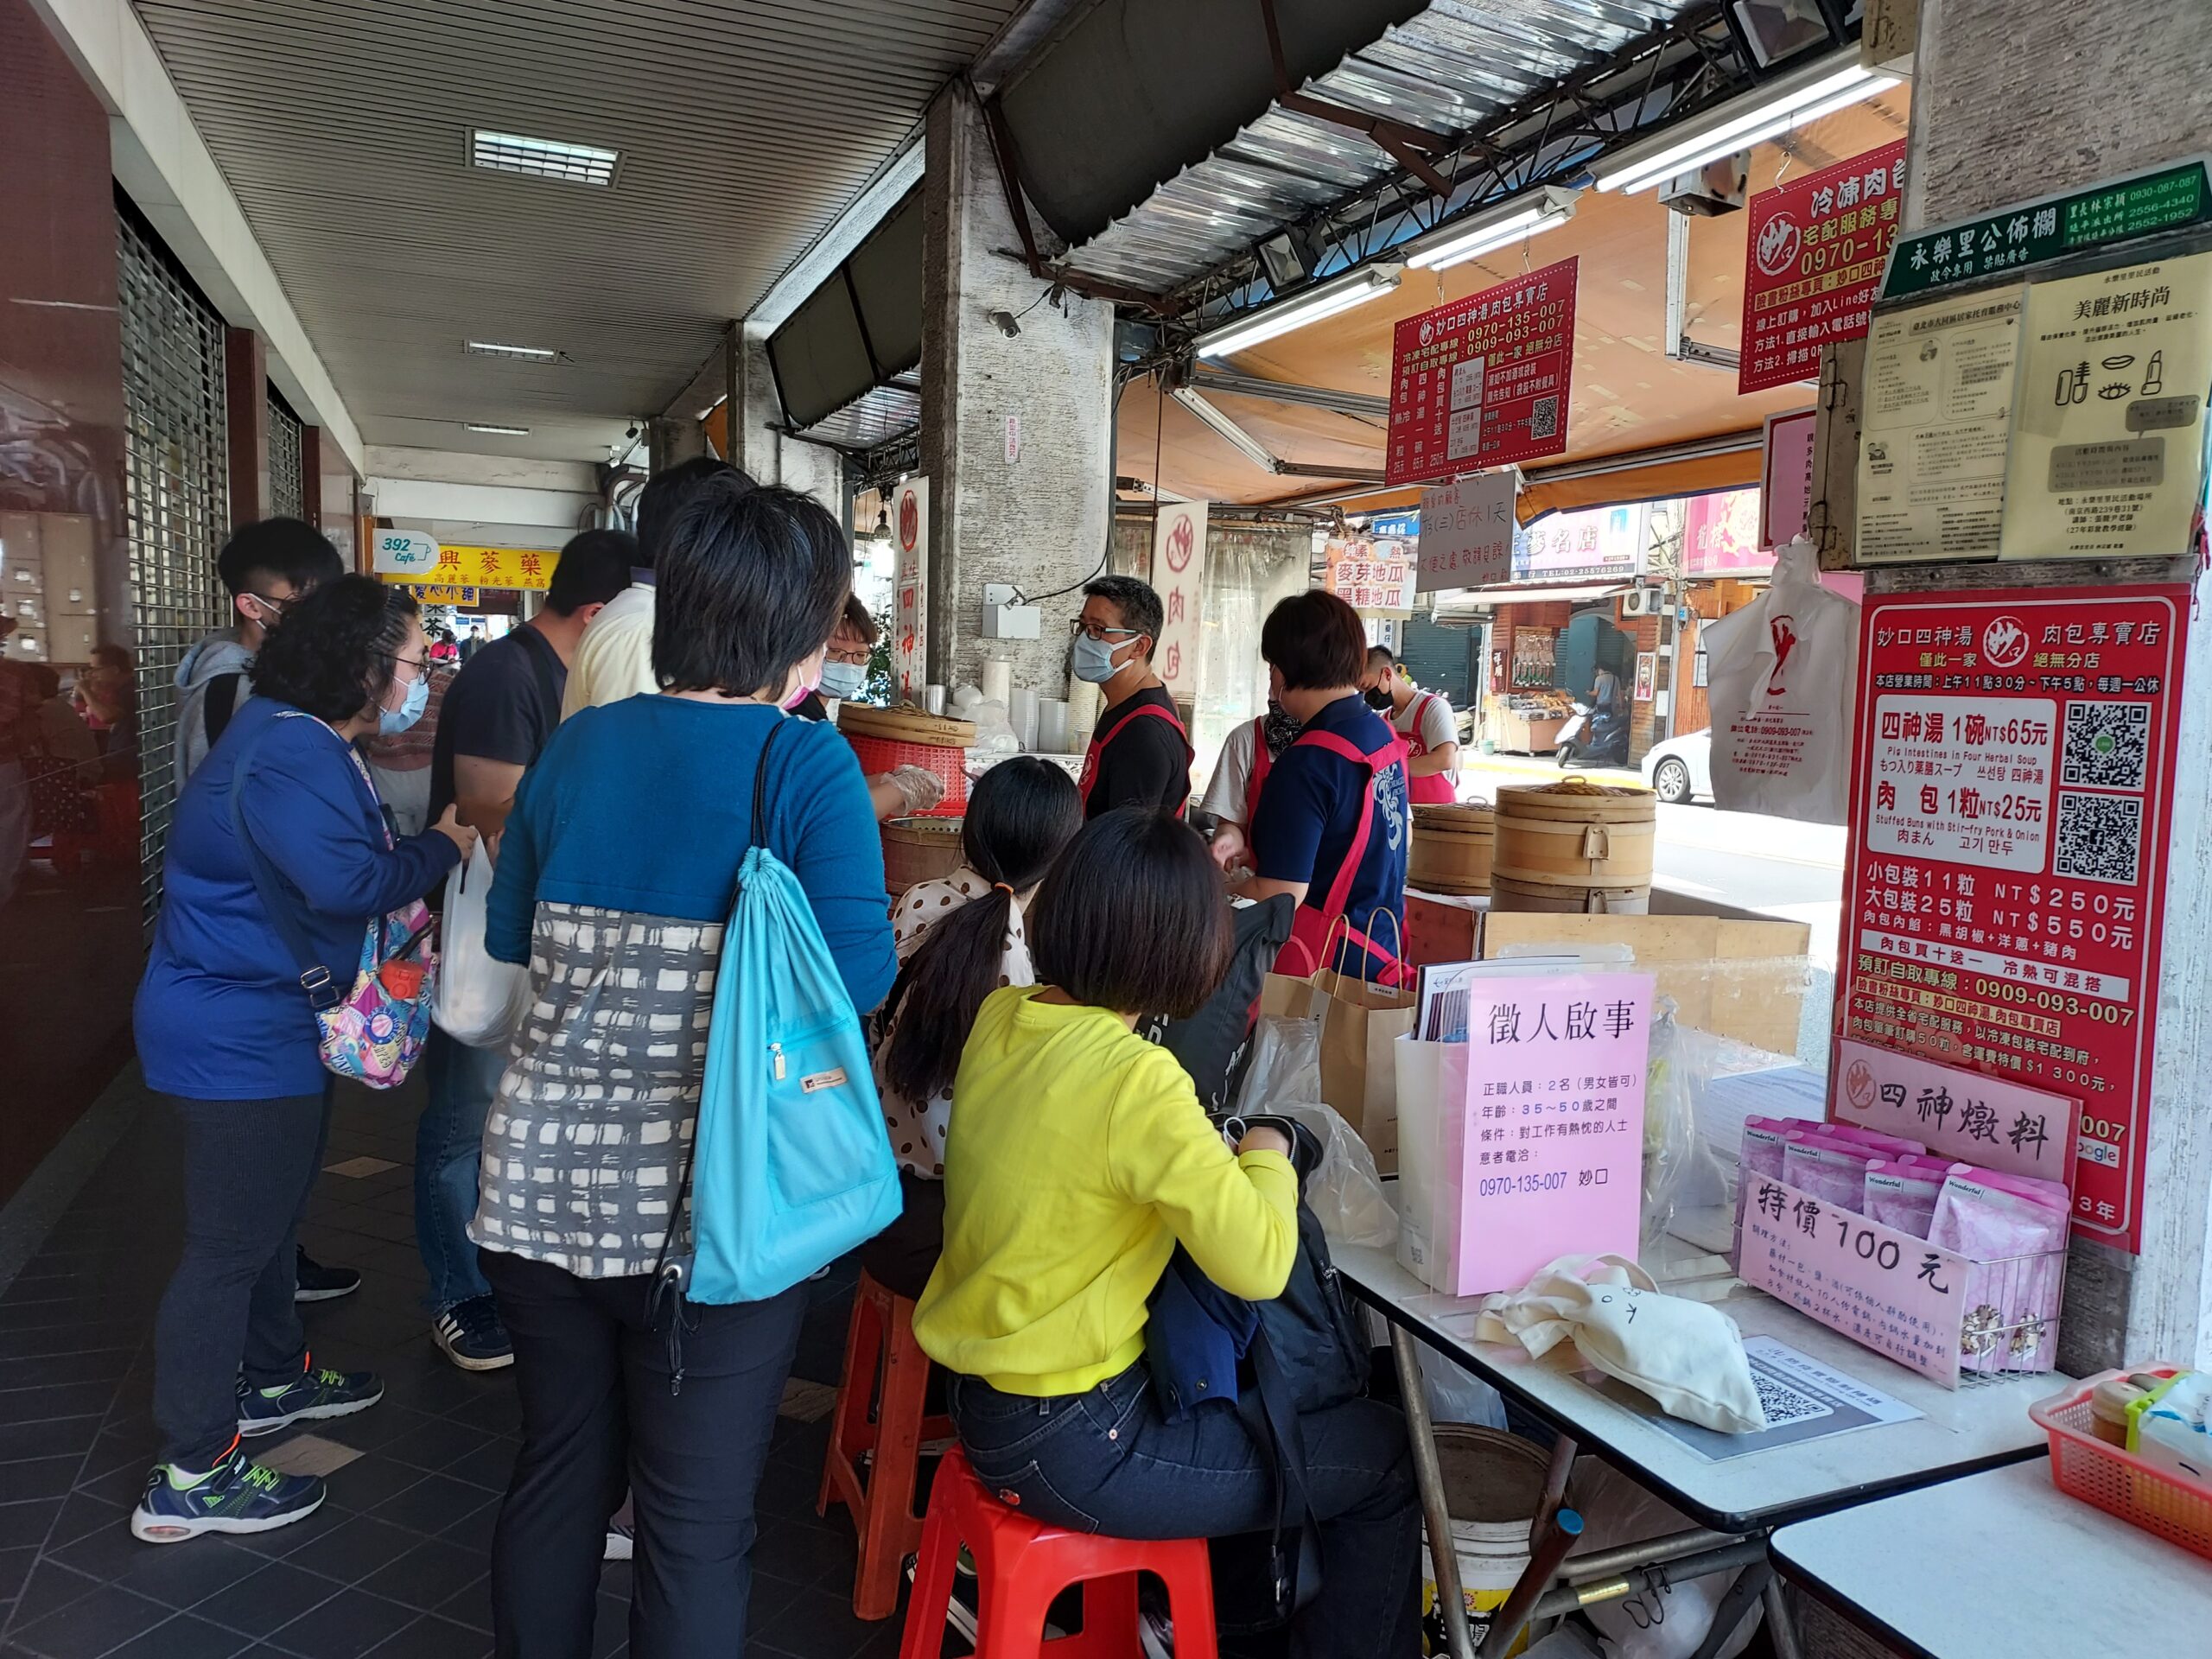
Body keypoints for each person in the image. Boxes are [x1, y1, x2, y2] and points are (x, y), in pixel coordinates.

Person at [475, 479, 897, 1659]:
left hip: (537, 1194)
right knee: (693, 1524)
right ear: (803, 631)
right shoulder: (802, 769)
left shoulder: (576, 750)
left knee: (557, 1475)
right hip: (712, 1219)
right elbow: (856, 984)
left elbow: (513, 940)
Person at [912, 807, 1421, 1659]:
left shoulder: (1006, 1016)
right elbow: (1259, 1264)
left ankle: (1185, 1611)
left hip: (979, 1397)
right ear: (1183, 956)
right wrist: (1269, 1151)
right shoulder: (1137, 1079)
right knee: (1381, 1457)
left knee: (1242, 1394)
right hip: (1074, 1440)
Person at [129, 577, 475, 1542]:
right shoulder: (289, 748)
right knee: (226, 1249)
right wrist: (444, 845)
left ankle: (275, 1379)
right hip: (234, 1033)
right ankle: (193, 1472)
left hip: (265, 1020)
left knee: (271, 1217)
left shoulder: (300, 736)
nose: (423, 677)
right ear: (363, 666)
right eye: (414, 660)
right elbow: (350, 881)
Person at [412, 530, 637, 1373]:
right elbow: (491, 810)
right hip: (494, 936)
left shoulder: (566, 677)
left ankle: (502, 1273)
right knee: (464, 1118)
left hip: (539, 931)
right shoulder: (508, 675)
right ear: (599, 613)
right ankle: (456, 1292)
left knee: (508, 1115)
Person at [170, 521, 360, 1303]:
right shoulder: (245, 694)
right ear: (256, 606)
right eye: (305, 607)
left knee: (275, 1161)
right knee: (250, 1185)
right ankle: (250, 1366)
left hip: (252, 952)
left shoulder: (242, 686)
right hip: (249, 959)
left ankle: (278, 1291)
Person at [863, 757, 1082, 1299]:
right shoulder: (1015, 964)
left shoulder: (917, 902)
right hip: (942, 1221)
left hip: (872, 1185)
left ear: (970, 830)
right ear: (1058, 861)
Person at [1241, 591, 1411, 985]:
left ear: (1283, 669)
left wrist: (1219, 890)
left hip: (1322, 972)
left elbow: (1280, 895)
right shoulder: (1380, 734)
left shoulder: (1308, 762)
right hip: (1380, 950)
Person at [562, 456, 753, 717]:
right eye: (744, 533)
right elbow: (640, 753)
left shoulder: (656, 618)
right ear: (702, 537)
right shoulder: (640, 629)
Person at [173, 518, 346, 787]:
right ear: (251, 606)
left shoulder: (290, 666)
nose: (320, 614)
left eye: (325, 601)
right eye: (302, 603)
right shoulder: (228, 689)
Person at [793, 593, 944, 822]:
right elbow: (830, 813)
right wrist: (899, 789)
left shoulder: (813, 713)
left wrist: (887, 778)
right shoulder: (797, 716)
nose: (848, 663)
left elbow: (828, 787)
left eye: (860, 655)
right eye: (834, 652)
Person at [1071, 574, 1192, 820]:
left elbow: (1125, 848)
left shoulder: (1145, 733)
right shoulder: (1123, 704)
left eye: (1098, 629)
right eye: (1083, 626)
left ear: (1139, 646)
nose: (1085, 638)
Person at [1198, 696, 1303, 874]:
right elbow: (1233, 823)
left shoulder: (1335, 745)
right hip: (1251, 890)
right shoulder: (1246, 739)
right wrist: (1228, 841)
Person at [361, 660, 450, 836]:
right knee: (436, 841)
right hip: (431, 773)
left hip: (384, 776)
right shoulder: (443, 683)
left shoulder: (372, 682)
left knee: (398, 844)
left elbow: (363, 733)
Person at [1364, 645, 1460, 805]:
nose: (1367, 696)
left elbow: (1445, 759)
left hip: (1437, 814)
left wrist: (1388, 769)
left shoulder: (1433, 707)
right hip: (1402, 814)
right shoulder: (1384, 720)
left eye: (1367, 687)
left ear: (1387, 674)